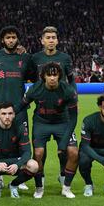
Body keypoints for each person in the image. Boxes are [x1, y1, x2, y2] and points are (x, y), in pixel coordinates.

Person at [0, 25, 37, 190]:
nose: (11, 40)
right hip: (0, 111)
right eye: (8, 37)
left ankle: (18, 177)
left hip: (20, 109)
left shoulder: (25, 58)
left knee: (19, 143)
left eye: (14, 37)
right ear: (3, 40)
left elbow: (35, 77)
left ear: (17, 39)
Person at [18, 62, 78, 198]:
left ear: (59, 76)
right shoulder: (35, 89)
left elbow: (73, 119)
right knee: (38, 153)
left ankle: (66, 188)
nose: (52, 78)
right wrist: (4, 115)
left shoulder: (68, 91)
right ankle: (39, 187)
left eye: (55, 75)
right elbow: (21, 106)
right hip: (41, 123)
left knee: (73, 152)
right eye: (49, 75)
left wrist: (63, 143)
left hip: (63, 123)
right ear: (43, 76)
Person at [31, 26, 77, 186]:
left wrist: (74, 96)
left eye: (53, 37)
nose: (51, 40)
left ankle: (63, 175)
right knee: (39, 151)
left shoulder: (65, 58)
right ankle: (40, 178)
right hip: (42, 111)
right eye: (48, 37)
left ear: (57, 40)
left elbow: (70, 80)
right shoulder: (35, 58)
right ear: (42, 40)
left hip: (62, 112)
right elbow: (33, 80)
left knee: (64, 150)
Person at [0, 102, 38, 199]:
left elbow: (27, 152)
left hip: (15, 162)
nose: (7, 117)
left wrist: (17, 164)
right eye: (4, 114)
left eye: (10, 113)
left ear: (14, 114)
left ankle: (14, 185)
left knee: (34, 166)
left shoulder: (20, 128)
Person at [79, 93, 104, 197]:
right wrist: (103, 161)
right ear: (100, 107)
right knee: (83, 160)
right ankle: (89, 185)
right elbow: (85, 146)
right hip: (90, 148)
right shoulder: (89, 121)